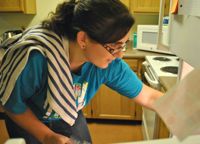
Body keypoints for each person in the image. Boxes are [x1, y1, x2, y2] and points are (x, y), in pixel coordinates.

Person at [0, 0, 163, 143]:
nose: (120, 54)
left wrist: (184, 108)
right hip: (28, 117)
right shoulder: (36, 59)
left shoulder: (110, 63)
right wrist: (46, 136)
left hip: (68, 112)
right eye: (115, 45)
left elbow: (148, 97)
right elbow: (12, 104)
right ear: (83, 39)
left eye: (124, 44)